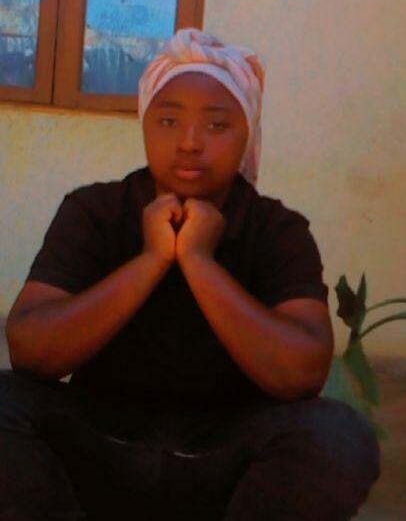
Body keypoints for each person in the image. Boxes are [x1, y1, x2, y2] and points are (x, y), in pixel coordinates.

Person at [1, 27, 380, 520]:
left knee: (340, 438)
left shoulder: (277, 229)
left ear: (246, 134)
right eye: (168, 120)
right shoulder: (96, 210)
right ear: (144, 124)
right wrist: (152, 260)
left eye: (217, 125)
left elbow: (302, 373)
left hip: (226, 458)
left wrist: (199, 261)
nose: (189, 143)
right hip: (102, 443)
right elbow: (30, 349)